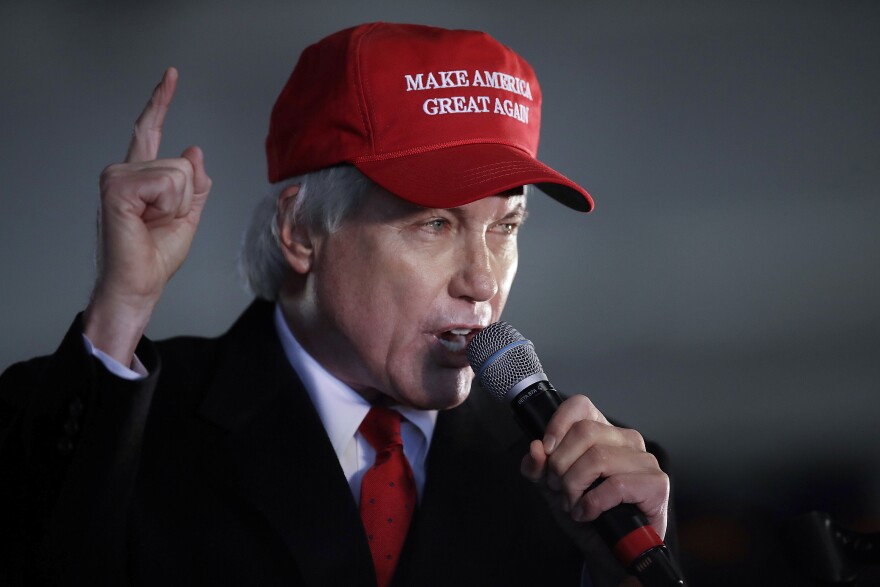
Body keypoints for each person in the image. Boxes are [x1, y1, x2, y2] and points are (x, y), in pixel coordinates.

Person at [0, 23, 677, 586]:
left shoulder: (593, 483)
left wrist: (615, 575)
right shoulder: (123, 426)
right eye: (433, 223)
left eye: (506, 226)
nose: (481, 279)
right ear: (300, 231)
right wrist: (120, 307)